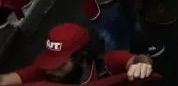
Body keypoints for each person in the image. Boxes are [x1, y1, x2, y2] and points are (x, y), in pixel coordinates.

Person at [0, 22, 155, 85]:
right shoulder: (45, 70)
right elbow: (5, 80)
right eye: (49, 62)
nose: (49, 70)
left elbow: (137, 60)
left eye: (60, 65)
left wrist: (143, 65)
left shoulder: (109, 64)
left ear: (83, 59)